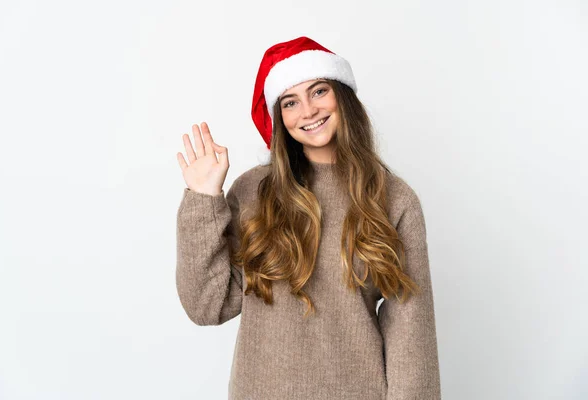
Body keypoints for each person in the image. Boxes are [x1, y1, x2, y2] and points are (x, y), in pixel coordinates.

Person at [175, 36, 441, 400]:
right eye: (290, 101)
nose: (308, 111)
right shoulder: (254, 192)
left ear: (342, 95)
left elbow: (412, 333)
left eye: (318, 92)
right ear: (280, 117)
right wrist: (204, 199)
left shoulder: (394, 200)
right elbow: (208, 306)